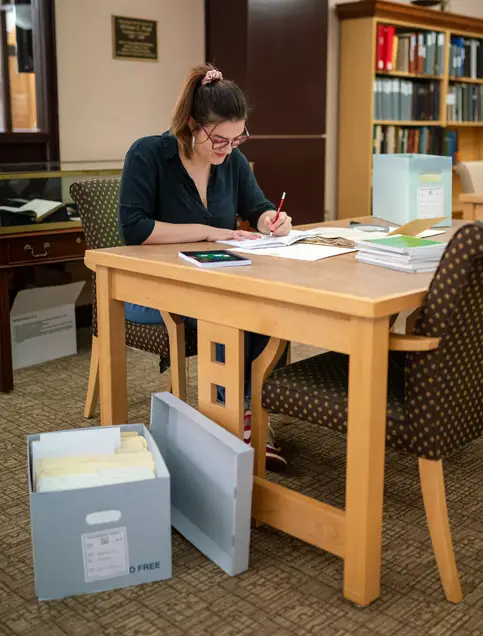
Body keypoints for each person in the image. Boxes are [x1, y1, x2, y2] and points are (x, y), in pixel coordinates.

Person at [118, 64, 292, 471]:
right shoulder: (148, 154)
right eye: (219, 138)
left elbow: (257, 206)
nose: (227, 149)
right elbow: (134, 229)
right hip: (150, 289)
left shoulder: (231, 160)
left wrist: (270, 219)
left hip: (214, 279)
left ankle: (248, 414)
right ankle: (234, 421)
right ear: (192, 124)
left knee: (269, 309)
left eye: (237, 138)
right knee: (240, 314)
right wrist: (212, 232)